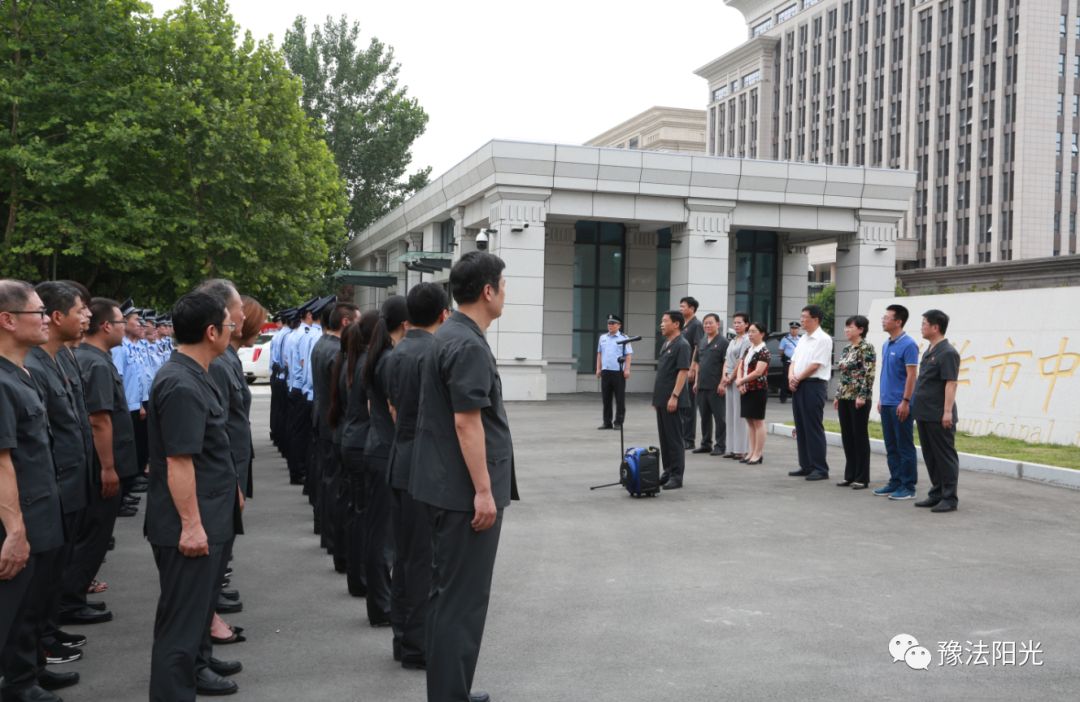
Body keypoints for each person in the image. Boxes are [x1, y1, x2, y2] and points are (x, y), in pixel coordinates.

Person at [410, 251, 517, 702]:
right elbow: (466, 422)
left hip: (443, 486)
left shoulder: (451, 334)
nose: (505, 293)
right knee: (462, 602)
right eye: (503, 285)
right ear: (488, 291)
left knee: (446, 596)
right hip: (461, 494)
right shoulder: (467, 343)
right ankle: (449, 694)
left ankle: (450, 687)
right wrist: (484, 492)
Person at [146, 291, 242, 701]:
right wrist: (191, 527)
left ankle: (190, 678)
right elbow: (179, 463)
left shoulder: (195, 373)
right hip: (191, 525)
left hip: (210, 515)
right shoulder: (181, 383)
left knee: (193, 619)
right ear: (211, 331)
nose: (232, 329)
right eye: (229, 323)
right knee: (181, 629)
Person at [22, 283, 90, 692]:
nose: (46, 320)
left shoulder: (56, 357)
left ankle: (43, 642)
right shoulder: (30, 363)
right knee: (36, 583)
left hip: (66, 480)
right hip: (51, 485)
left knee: (52, 574)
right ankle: (34, 655)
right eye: (40, 313)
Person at [0, 280, 65, 702]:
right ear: (7, 320)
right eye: (38, 313)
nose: (46, 319)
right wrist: (15, 530)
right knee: (13, 611)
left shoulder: (22, 370)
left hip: (42, 510)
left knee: (32, 608)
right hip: (20, 516)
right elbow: (1, 460)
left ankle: (28, 675)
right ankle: (18, 685)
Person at [385, 283, 450, 670]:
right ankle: (418, 645)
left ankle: (403, 638)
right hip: (424, 465)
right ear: (443, 314)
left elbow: (394, 407)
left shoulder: (397, 352)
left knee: (406, 556)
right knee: (423, 559)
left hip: (400, 457)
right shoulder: (434, 352)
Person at [66, 299, 137, 628]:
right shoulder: (93, 362)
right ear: (107, 326)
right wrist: (108, 468)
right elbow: (99, 420)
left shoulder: (96, 358)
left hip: (102, 463)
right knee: (93, 535)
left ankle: (74, 595)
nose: (125, 327)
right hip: (100, 467)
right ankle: (70, 600)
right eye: (121, 322)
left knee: (93, 534)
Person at [361, 295, 409, 629]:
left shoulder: (378, 355)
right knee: (385, 537)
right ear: (405, 324)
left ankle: (380, 600)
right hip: (385, 450)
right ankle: (381, 604)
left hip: (376, 447)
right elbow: (396, 410)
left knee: (379, 531)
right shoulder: (390, 359)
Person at [331, 311, 379, 598]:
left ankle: (353, 570)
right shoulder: (364, 366)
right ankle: (360, 577)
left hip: (350, 439)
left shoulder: (349, 362)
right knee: (365, 515)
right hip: (361, 443)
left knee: (355, 510)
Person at [312, 301, 358, 563]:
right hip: (333, 423)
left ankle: (328, 536)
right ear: (345, 322)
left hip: (322, 419)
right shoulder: (335, 352)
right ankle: (334, 541)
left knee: (328, 481)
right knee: (336, 486)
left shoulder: (322, 345)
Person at [912, 309, 961, 513]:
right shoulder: (929, 350)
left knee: (944, 456)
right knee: (931, 455)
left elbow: (951, 383)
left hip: (939, 413)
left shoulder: (948, 352)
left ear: (935, 327)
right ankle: (937, 492)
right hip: (925, 412)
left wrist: (947, 412)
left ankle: (949, 498)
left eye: (924, 323)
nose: (922, 327)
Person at [873, 304, 920, 499]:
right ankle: (895, 481)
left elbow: (911, 376)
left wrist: (906, 401)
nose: (883, 320)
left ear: (898, 321)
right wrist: (881, 399)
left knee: (904, 446)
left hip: (901, 403)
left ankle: (908, 486)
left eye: (887, 317)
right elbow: (888, 374)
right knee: (891, 446)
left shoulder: (909, 344)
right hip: (887, 403)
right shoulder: (887, 344)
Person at [787, 304, 833, 481]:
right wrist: (792, 376)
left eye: (804, 317)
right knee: (801, 425)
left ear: (815, 319)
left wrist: (797, 378)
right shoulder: (803, 338)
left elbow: (816, 365)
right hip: (799, 384)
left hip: (813, 385)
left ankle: (820, 468)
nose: (801, 320)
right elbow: (793, 361)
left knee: (813, 426)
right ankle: (805, 465)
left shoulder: (823, 339)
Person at [834, 315, 876, 489]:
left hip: (858, 398)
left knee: (859, 436)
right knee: (847, 436)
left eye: (850, 327)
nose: (846, 330)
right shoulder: (846, 349)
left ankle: (862, 476)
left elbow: (869, 373)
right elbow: (843, 375)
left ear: (860, 329)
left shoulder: (866, 348)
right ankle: (849, 474)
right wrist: (838, 395)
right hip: (845, 396)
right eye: (846, 327)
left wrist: (862, 395)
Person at [652, 310, 691, 490]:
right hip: (662, 399)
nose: (661, 324)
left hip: (673, 400)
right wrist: (657, 399)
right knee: (665, 439)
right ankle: (667, 471)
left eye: (665, 321)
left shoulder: (682, 344)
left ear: (676, 324)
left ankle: (677, 476)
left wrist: (674, 396)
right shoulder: (667, 343)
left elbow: (683, 371)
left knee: (675, 439)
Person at [691, 313, 728, 456]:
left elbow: (726, 364)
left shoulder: (723, 342)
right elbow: (698, 363)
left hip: (715, 385)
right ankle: (705, 444)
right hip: (702, 385)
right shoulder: (702, 341)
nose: (707, 325)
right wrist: (695, 382)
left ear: (717, 324)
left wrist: (722, 383)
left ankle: (720, 445)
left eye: (710, 323)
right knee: (705, 417)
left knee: (719, 418)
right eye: (705, 323)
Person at [735, 322, 771, 465]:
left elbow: (758, 372)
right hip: (746, 389)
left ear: (761, 334)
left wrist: (742, 381)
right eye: (749, 331)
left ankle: (758, 453)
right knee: (749, 422)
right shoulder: (749, 349)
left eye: (753, 331)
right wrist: (740, 381)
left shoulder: (764, 351)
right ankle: (751, 452)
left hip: (758, 389)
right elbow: (741, 366)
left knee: (758, 421)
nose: (750, 334)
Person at [719, 312, 751, 460]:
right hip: (729, 379)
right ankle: (731, 448)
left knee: (739, 415)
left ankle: (741, 449)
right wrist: (724, 376)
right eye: (735, 322)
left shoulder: (746, 340)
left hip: (738, 379)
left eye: (740, 322)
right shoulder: (732, 341)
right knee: (730, 414)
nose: (737, 325)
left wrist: (731, 377)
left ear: (746, 324)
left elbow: (741, 361)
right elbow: (726, 360)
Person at [595, 314, 632, 430]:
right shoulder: (603, 338)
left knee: (619, 399)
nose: (610, 325)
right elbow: (599, 353)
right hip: (606, 371)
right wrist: (598, 368)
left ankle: (618, 422)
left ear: (619, 325)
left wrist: (627, 369)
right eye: (609, 323)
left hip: (618, 372)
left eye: (613, 323)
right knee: (606, 399)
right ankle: (607, 422)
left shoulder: (624, 338)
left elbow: (628, 355)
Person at [679, 297, 704, 450]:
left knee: (689, 406)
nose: (680, 309)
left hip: (689, 369)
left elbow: (698, 347)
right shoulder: (683, 324)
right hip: (681, 368)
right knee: (682, 405)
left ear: (692, 308)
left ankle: (689, 439)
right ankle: (681, 436)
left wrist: (693, 367)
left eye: (683, 306)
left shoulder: (696, 325)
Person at [778, 322, 802, 403]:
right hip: (788, 362)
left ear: (798, 330)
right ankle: (783, 397)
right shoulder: (785, 339)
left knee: (797, 379)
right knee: (785, 379)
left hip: (798, 362)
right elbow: (781, 351)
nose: (794, 330)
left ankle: (796, 397)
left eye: (795, 328)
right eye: (792, 328)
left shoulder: (801, 340)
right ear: (790, 329)